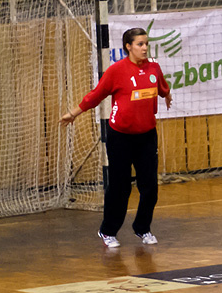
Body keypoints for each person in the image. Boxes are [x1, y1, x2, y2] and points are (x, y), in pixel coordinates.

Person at [60, 27, 172, 249]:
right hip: (120, 137)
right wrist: (73, 113)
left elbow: (161, 88)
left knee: (149, 186)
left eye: (146, 43)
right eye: (139, 44)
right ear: (128, 47)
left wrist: (167, 96)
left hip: (147, 136)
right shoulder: (116, 71)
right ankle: (108, 231)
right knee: (120, 187)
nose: (144, 47)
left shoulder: (154, 68)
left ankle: (143, 228)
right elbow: (96, 95)